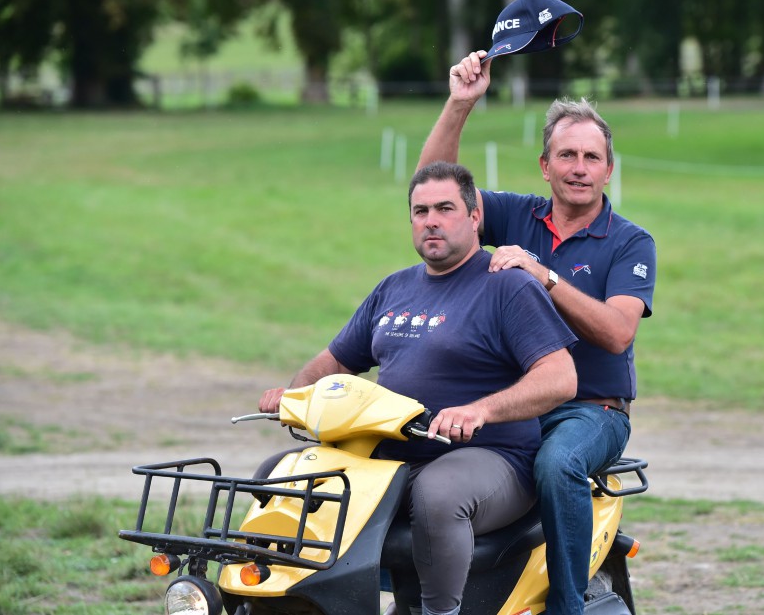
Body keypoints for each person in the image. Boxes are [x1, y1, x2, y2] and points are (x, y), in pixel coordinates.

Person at [258, 162, 577, 615]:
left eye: (445, 208)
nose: (431, 219)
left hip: (493, 458)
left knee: (439, 496)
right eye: (420, 210)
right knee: (280, 473)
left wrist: (478, 412)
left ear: (473, 218)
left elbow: (560, 376)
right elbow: (335, 361)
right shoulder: (395, 287)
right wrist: (293, 395)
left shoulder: (507, 285)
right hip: (393, 456)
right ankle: (292, 604)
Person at [417, 52, 657, 615]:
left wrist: (543, 274)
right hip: (516, 404)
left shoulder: (630, 242)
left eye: (591, 157)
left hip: (590, 411)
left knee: (557, 464)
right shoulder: (516, 215)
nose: (578, 167)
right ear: (544, 166)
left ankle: (567, 606)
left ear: (608, 170)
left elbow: (617, 333)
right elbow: (434, 188)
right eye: (566, 154)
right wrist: (460, 103)